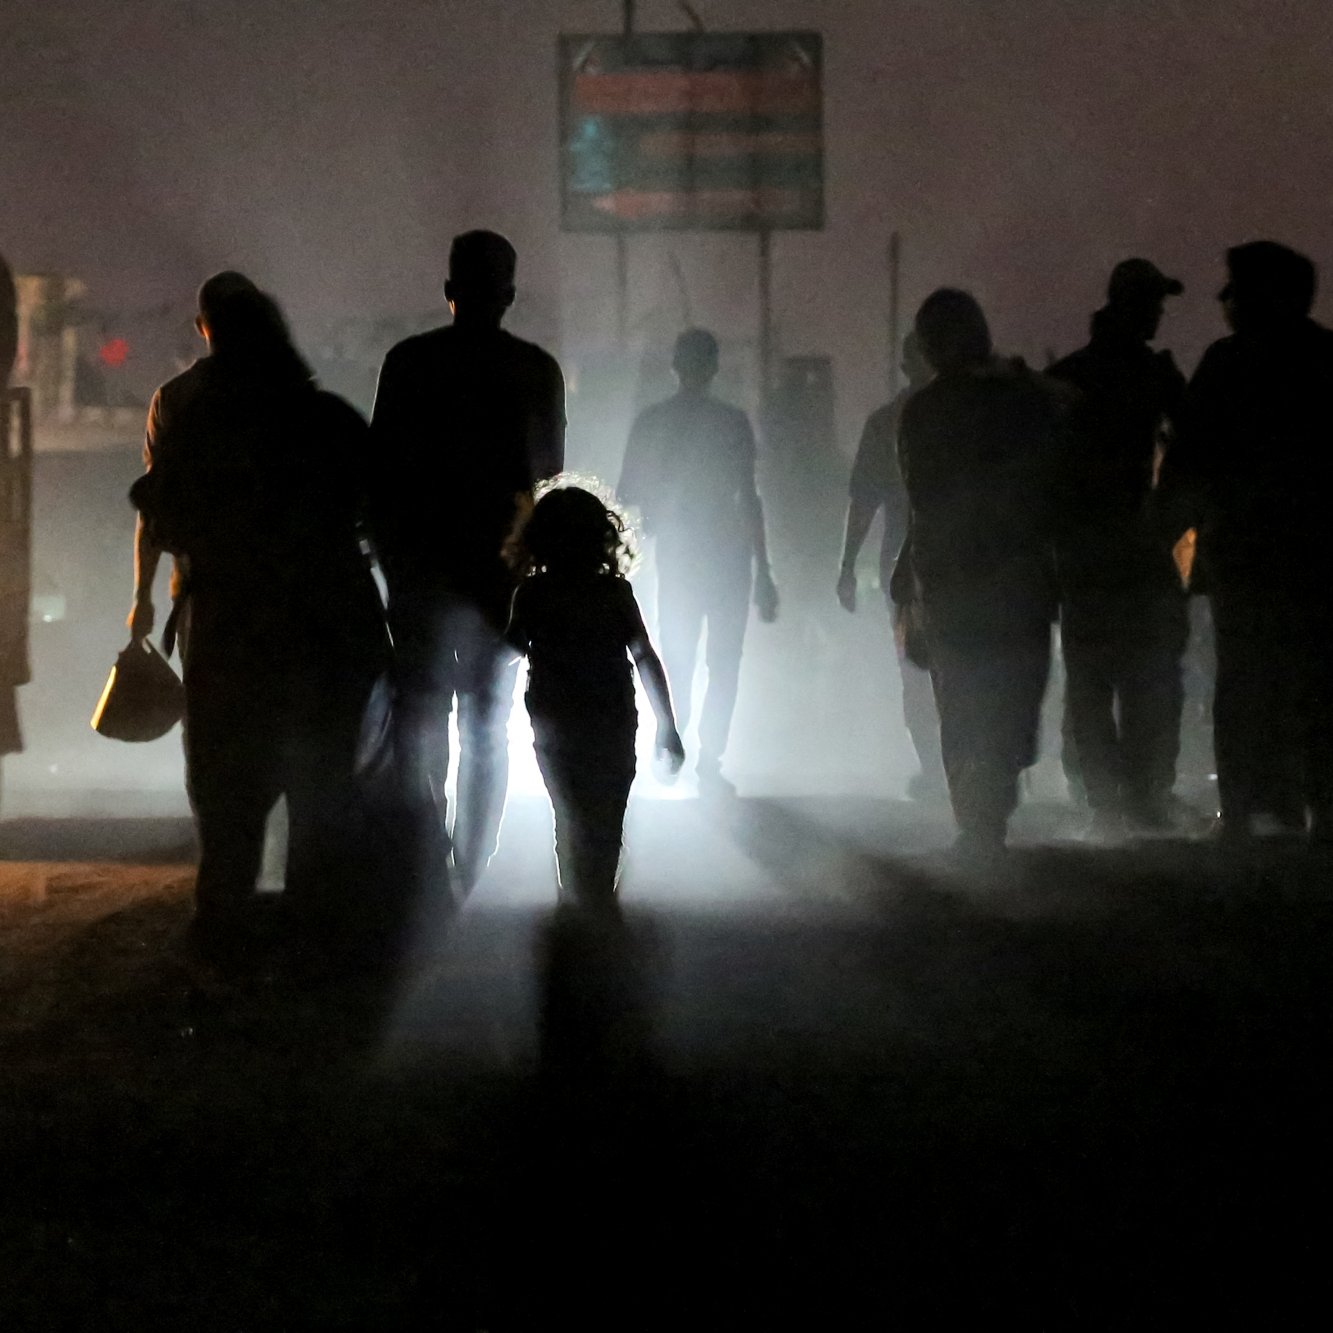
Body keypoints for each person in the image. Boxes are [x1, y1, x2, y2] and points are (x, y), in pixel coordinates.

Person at [128, 273, 387, 966]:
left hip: (229, 629)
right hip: (327, 628)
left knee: (227, 792)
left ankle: (222, 931)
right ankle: (312, 933)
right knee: (321, 788)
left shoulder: (195, 423)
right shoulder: (328, 419)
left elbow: (158, 510)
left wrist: (153, 595)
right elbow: (382, 517)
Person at [369, 230, 565, 892]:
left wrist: (394, 562)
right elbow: (546, 478)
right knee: (487, 721)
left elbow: (381, 475)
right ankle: (471, 865)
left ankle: (425, 851)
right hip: (499, 577)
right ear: (508, 295)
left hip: (421, 571)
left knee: (423, 715)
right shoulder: (537, 370)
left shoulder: (408, 363)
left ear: (448, 291)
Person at [1158, 241, 1333, 845]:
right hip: (1312, 557)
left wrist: (1162, 537)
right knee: (1314, 686)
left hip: (1245, 556)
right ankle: (1316, 811)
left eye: (1234, 287)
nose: (1224, 300)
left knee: (1243, 683)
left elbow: (1188, 463)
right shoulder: (1324, 359)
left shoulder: (1227, 365)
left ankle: (1242, 809)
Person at [895, 290, 1065, 858]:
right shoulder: (1021, 399)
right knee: (1011, 692)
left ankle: (978, 819)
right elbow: (1074, 418)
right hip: (1015, 574)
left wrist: (909, 578)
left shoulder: (923, 411)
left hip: (952, 579)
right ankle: (991, 804)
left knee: (961, 696)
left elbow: (923, 501)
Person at [1048, 258, 1190, 837]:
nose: (1160, 314)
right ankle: (1139, 794)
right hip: (1133, 543)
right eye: (1154, 303)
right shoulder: (1150, 375)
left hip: (1086, 548)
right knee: (1147, 676)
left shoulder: (1072, 375)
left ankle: (1106, 799)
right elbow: (1197, 437)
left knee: (1091, 678)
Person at [506, 484, 684, 910]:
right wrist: (668, 725)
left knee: (567, 812)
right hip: (613, 719)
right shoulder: (613, 593)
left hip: (555, 721)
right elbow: (644, 656)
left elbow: (507, 651)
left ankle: (575, 897)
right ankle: (598, 894)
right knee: (606, 812)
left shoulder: (533, 594)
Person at [618, 328, 778, 796]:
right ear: (714, 367)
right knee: (724, 659)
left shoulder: (653, 421)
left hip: (680, 553)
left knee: (678, 655)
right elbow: (749, 497)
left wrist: (658, 508)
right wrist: (764, 570)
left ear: (675, 365)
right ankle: (709, 758)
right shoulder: (732, 423)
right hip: (727, 554)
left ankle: (673, 743)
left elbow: (628, 490)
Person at [837, 331, 945, 800]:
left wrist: (846, 566)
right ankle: (954, 766)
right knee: (946, 668)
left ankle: (937, 769)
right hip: (953, 561)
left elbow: (865, 501)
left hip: (905, 564)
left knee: (917, 671)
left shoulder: (887, 421)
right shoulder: (962, 416)